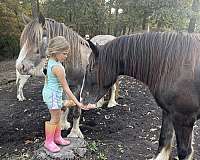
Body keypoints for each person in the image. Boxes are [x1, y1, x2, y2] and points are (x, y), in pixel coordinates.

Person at [42, 36, 95, 153]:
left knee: (56, 117)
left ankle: (57, 137)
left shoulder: (50, 62)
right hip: (53, 96)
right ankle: (49, 141)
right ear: (56, 52)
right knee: (55, 119)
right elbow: (66, 88)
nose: (66, 57)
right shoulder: (58, 68)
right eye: (65, 54)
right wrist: (77, 102)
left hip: (50, 93)